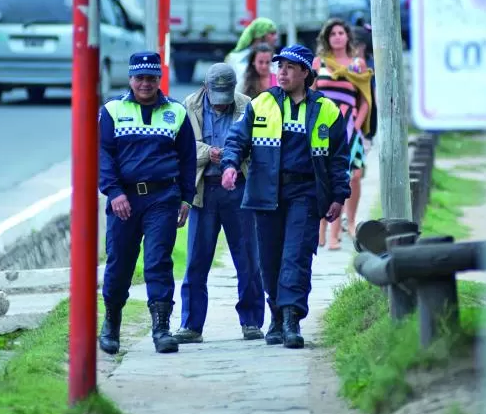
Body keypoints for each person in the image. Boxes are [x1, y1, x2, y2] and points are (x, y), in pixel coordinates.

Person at [220, 44, 350, 349]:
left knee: (296, 256)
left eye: (290, 67)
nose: (282, 72)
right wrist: (229, 165)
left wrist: (338, 196)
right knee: (270, 260)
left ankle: (292, 319)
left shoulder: (327, 110)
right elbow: (237, 140)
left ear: (305, 72)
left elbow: (339, 158)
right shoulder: (262, 103)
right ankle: (276, 317)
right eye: (280, 67)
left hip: (305, 193)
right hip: (266, 193)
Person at [98, 51, 197, 355]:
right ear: (130, 79)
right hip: (123, 200)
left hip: (162, 199)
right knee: (119, 262)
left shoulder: (176, 112)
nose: (145, 83)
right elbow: (102, 154)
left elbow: (188, 159)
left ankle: (161, 328)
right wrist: (114, 192)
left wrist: (185, 198)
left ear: (159, 79)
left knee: (158, 261)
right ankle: (111, 324)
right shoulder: (112, 111)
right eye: (140, 77)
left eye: (151, 78)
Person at [174, 63, 266, 344]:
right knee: (196, 261)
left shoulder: (247, 105)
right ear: (206, 87)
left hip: (238, 189)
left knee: (248, 259)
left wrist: (234, 156)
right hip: (204, 190)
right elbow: (184, 146)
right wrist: (211, 153)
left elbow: (256, 143)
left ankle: (251, 321)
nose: (222, 104)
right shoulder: (189, 105)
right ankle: (191, 325)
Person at [312, 19, 373, 249]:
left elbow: (366, 99)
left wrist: (356, 124)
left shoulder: (357, 65)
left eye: (341, 32)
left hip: (349, 129)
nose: (337, 36)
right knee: (323, 177)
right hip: (324, 128)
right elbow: (311, 93)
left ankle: (342, 228)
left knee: (350, 177)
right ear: (327, 38)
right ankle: (322, 232)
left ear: (347, 37)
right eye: (333, 33)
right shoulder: (319, 64)